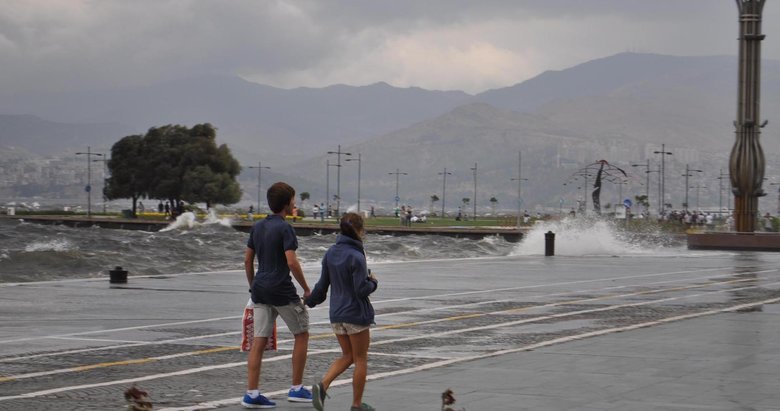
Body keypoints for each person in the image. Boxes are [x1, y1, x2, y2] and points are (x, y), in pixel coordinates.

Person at [241, 182, 313, 408]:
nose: (295, 203)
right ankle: (297, 388)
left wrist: (254, 286)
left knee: (258, 341)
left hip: (260, 289)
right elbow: (291, 261)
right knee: (301, 334)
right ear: (287, 203)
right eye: (293, 200)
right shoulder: (285, 228)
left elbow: (247, 260)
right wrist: (306, 288)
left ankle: (251, 393)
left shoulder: (258, 226)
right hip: (282, 290)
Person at [306, 212, 378, 411]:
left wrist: (309, 301)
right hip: (355, 314)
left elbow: (322, 287)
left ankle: (323, 385)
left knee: (348, 355)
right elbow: (361, 289)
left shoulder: (330, 253)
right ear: (359, 230)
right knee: (361, 358)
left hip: (336, 315)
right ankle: (356, 405)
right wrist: (373, 282)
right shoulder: (357, 256)